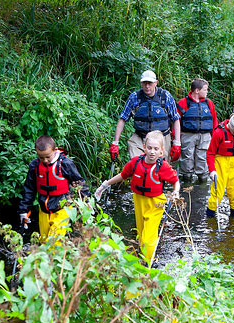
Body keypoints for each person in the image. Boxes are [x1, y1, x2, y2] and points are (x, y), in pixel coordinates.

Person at [96, 131, 180, 263]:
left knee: (149, 237)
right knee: (141, 234)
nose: (152, 152)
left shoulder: (162, 166)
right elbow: (123, 175)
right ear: (144, 147)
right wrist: (105, 185)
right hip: (139, 200)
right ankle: (143, 258)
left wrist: (176, 192)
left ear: (161, 151)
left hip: (156, 203)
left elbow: (175, 181)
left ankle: (148, 264)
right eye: (150, 148)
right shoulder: (136, 162)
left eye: (156, 149)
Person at [18, 135, 90, 243]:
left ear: (55, 150)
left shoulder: (65, 164)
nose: (45, 160)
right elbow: (29, 189)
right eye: (41, 157)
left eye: (48, 156)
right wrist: (23, 210)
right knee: (43, 242)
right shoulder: (35, 166)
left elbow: (79, 183)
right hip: (44, 210)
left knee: (54, 243)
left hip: (62, 209)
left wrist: (86, 201)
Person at [109, 70, 181, 162]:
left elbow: (175, 119)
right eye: (144, 83)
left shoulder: (165, 96)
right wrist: (115, 143)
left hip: (162, 138)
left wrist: (177, 142)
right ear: (141, 83)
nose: (147, 86)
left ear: (155, 83)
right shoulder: (134, 97)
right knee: (137, 165)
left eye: (150, 83)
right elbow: (123, 119)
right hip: (140, 137)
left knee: (160, 169)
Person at [206, 113, 234, 218]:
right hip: (221, 162)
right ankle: (210, 217)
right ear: (231, 127)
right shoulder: (219, 133)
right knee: (217, 193)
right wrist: (212, 170)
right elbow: (210, 153)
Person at [176, 78, 218, 182]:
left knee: (203, 161)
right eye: (205, 89)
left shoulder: (209, 103)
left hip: (205, 136)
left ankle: (202, 188)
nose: (207, 92)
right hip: (187, 135)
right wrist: (176, 138)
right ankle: (186, 185)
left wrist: (215, 138)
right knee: (187, 160)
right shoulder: (183, 103)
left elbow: (214, 120)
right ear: (197, 90)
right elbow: (176, 121)